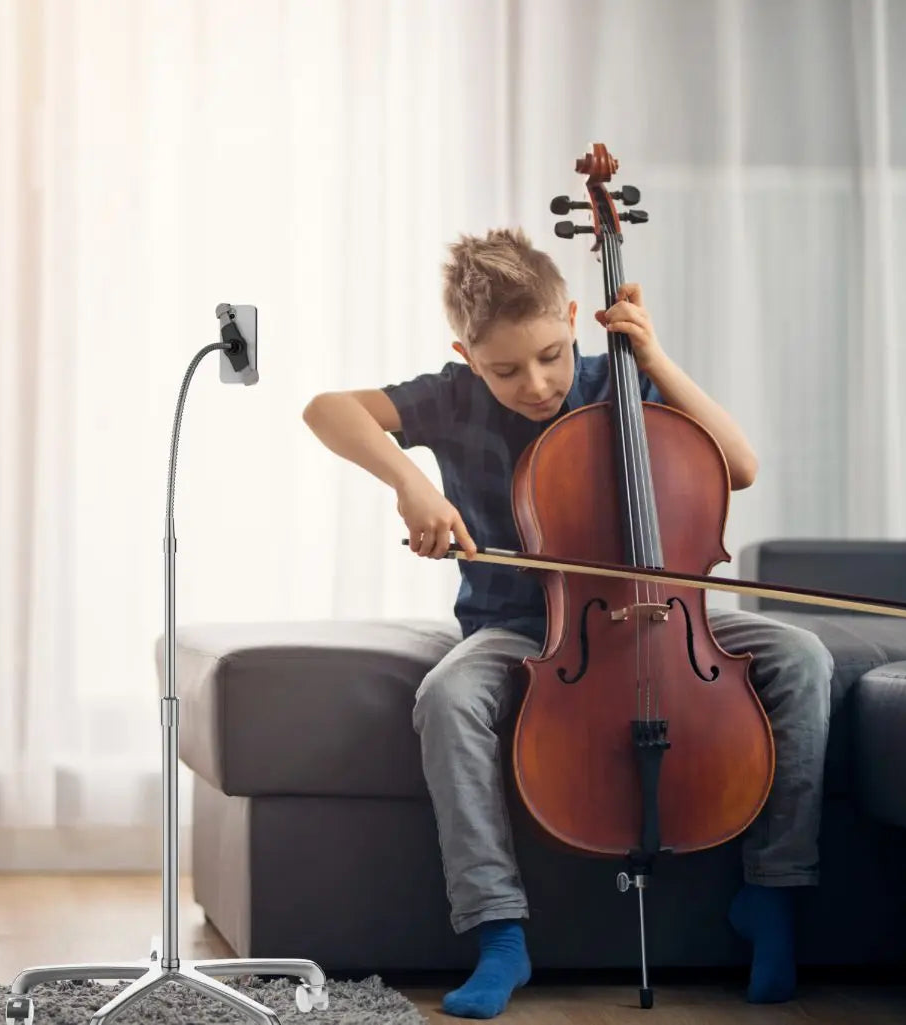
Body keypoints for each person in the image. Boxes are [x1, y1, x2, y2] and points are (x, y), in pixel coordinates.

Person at [301, 227, 834, 1018]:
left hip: (660, 614)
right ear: (467, 353)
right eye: (506, 368)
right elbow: (326, 409)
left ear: (576, 317)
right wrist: (410, 483)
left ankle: (775, 892)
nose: (538, 382)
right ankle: (499, 932)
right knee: (448, 697)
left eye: (552, 353)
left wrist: (653, 359)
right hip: (516, 628)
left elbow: (740, 466)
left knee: (802, 654)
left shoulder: (617, 381)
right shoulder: (453, 396)